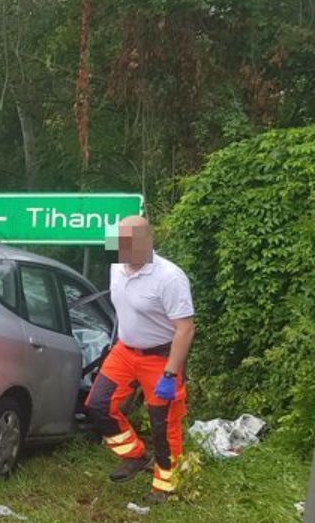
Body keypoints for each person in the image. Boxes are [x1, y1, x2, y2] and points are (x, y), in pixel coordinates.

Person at [86, 215, 195, 504]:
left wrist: (170, 375)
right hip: (124, 351)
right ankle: (134, 455)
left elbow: (185, 329)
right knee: (98, 406)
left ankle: (165, 485)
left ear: (148, 242)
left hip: (160, 357)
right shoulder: (116, 266)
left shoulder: (170, 278)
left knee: (163, 423)